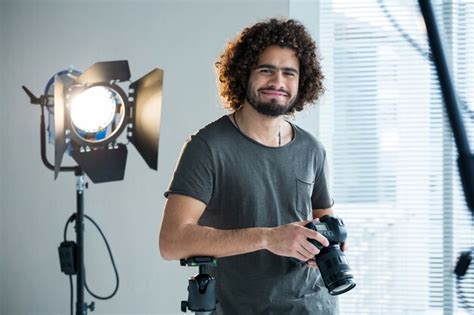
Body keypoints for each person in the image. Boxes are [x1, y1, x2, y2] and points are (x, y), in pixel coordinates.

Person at [159, 18, 341, 314]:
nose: (278, 82)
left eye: (289, 73)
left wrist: (330, 241)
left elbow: (325, 222)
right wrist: (269, 237)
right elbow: (172, 241)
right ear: (244, 74)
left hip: (316, 306)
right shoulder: (207, 147)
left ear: (302, 81)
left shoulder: (312, 150)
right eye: (266, 69)